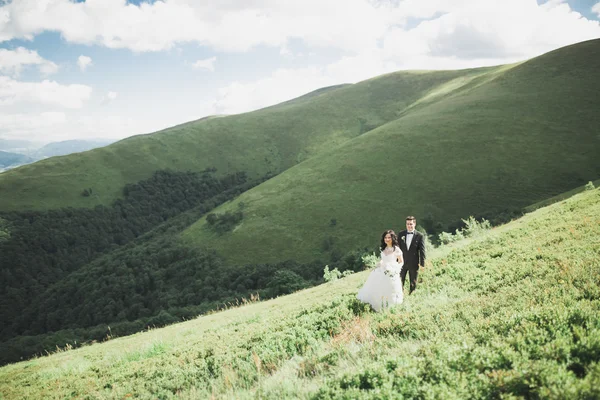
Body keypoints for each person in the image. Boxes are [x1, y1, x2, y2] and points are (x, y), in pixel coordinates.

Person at [357, 230, 404, 311]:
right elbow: (383, 260)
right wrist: (379, 264)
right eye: (385, 237)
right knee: (379, 287)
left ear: (392, 238)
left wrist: (395, 268)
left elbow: (401, 261)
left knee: (390, 288)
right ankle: (379, 305)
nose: (387, 239)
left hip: (391, 271)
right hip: (382, 270)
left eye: (389, 237)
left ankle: (391, 306)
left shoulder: (396, 249)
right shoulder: (384, 248)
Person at [398, 216, 426, 294]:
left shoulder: (420, 236)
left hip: (414, 263)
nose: (409, 226)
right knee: (399, 282)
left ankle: (412, 296)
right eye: (407, 224)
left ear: (414, 224)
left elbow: (422, 251)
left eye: (411, 224)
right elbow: (397, 249)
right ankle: (400, 297)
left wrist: (422, 264)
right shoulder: (401, 234)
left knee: (413, 283)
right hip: (401, 263)